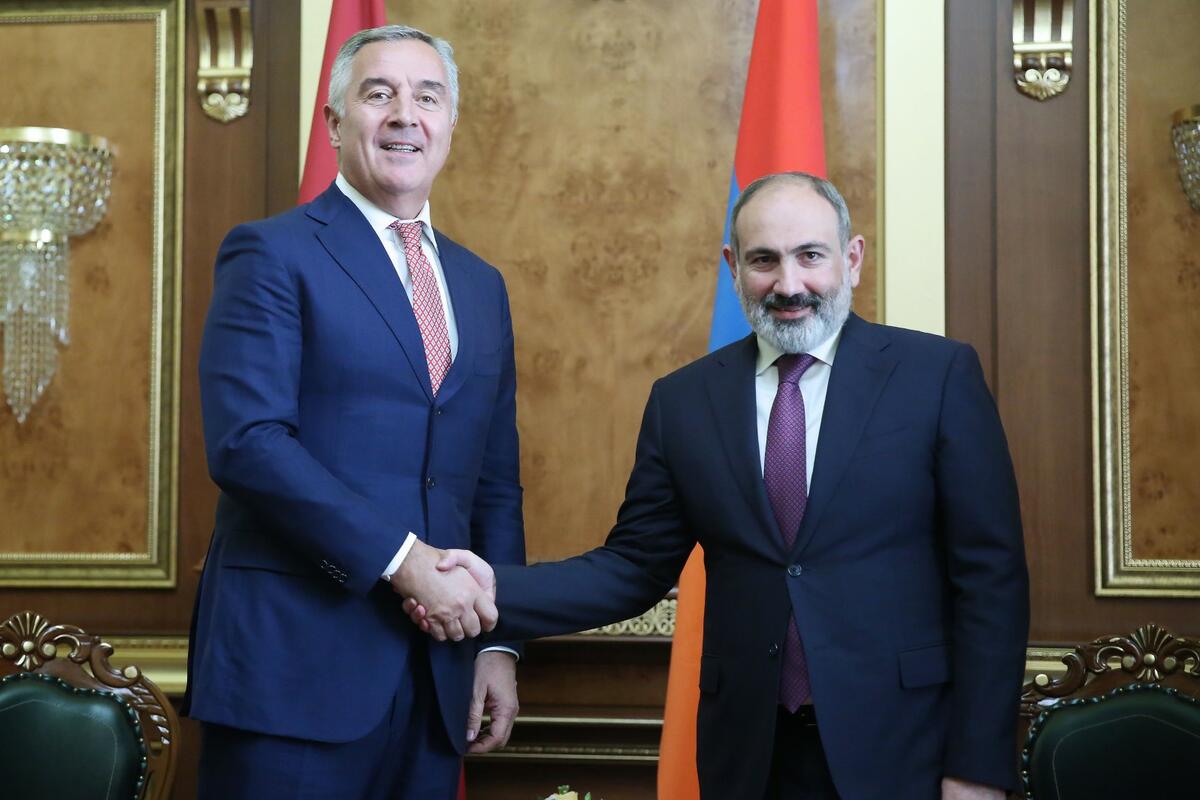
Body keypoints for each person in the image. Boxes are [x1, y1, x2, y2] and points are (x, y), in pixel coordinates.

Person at [412, 172, 1030, 799]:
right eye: (764, 260)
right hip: (751, 756)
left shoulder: (936, 377)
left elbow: (990, 581)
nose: (788, 284)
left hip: (908, 751)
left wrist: (977, 768)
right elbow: (633, 568)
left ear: (852, 258)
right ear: (734, 268)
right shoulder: (684, 401)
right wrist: (490, 589)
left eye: (810, 255)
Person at [183, 24, 525, 800]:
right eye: (379, 94)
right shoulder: (271, 253)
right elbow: (249, 443)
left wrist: (498, 645)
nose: (406, 115)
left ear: (449, 123)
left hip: (438, 677)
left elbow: (495, 483)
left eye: (427, 97)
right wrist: (405, 563)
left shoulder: (481, 285)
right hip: (292, 673)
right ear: (335, 123)